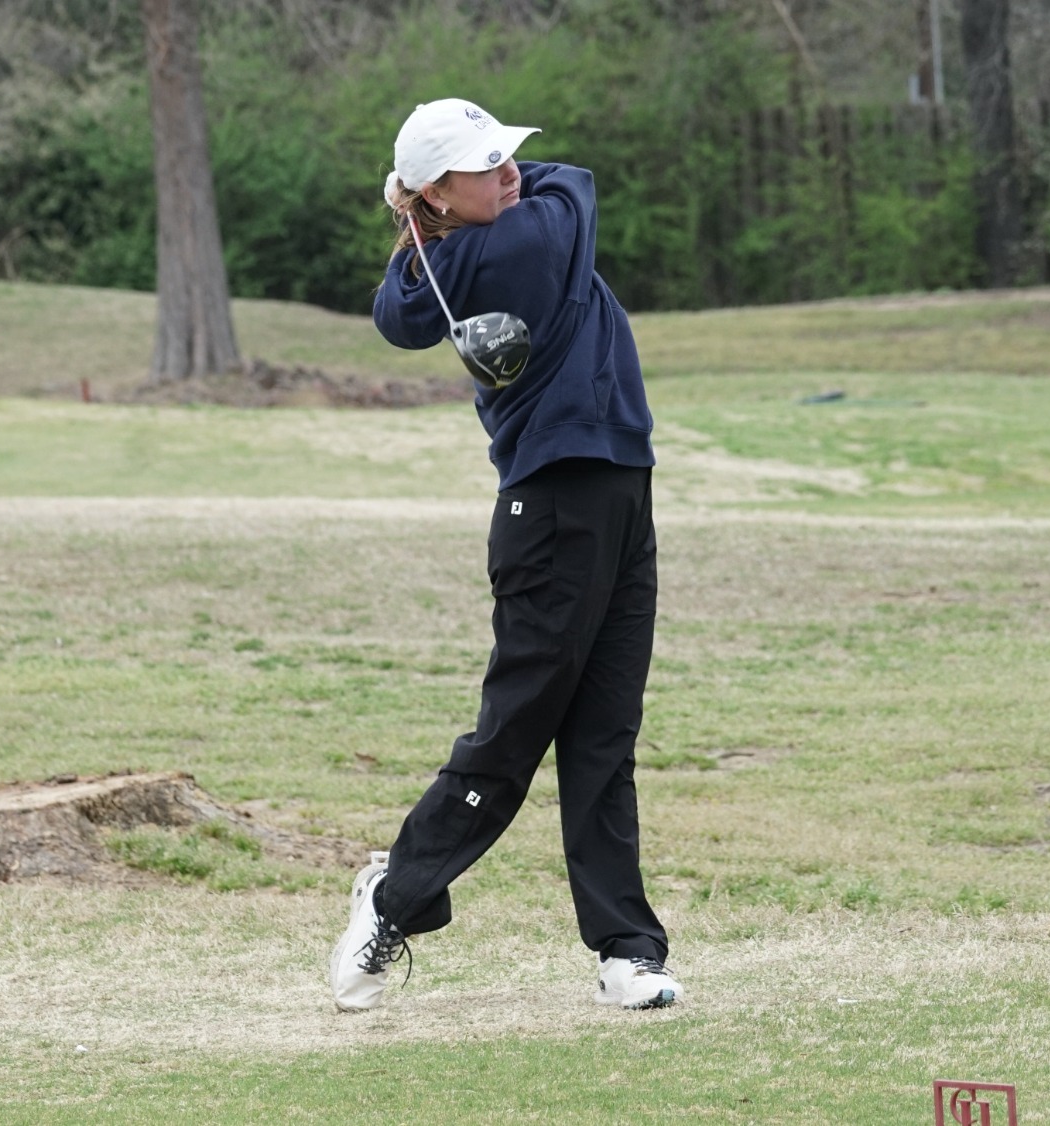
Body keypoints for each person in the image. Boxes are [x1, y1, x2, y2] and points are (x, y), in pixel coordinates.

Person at [328, 98, 680, 1013]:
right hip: (556, 504)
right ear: (440, 190)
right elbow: (580, 181)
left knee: (605, 730)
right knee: (518, 732)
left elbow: (392, 309)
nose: (513, 172)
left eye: (506, 156)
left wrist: (418, 221)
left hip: (615, 490)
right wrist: (428, 218)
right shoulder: (525, 241)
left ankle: (626, 949)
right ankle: (394, 896)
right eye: (484, 167)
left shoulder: (441, 261)